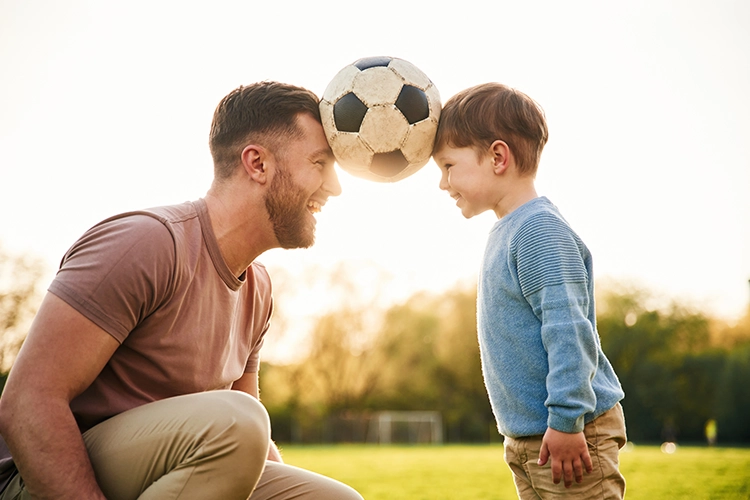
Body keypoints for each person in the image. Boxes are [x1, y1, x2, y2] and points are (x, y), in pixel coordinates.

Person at [0, 81, 363, 500]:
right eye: (320, 162)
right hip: (39, 482)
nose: (334, 187)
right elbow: (27, 402)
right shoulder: (146, 244)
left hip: (163, 473)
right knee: (235, 422)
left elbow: (252, 443)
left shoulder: (258, 288)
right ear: (257, 163)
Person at [432, 82, 627, 499]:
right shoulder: (507, 230)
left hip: (573, 434)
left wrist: (565, 421)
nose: (443, 183)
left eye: (448, 166)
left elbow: (569, 332)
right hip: (532, 440)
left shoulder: (538, 231)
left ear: (498, 157)